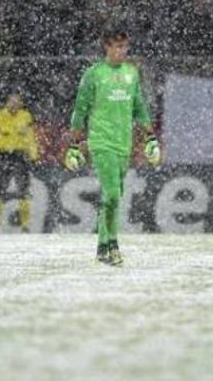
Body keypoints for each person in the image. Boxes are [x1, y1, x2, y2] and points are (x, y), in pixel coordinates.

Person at [66, 28, 160, 266]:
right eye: (117, 47)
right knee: (112, 195)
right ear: (106, 47)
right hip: (101, 142)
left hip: (123, 143)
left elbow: (139, 106)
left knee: (113, 197)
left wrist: (150, 137)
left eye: (125, 47)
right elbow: (80, 109)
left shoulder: (132, 73)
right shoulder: (94, 74)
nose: (122, 51)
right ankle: (112, 246)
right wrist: (75, 144)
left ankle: (101, 249)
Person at [0, 93, 39, 233]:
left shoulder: (26, 117)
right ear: (6, 103)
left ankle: (25, 226)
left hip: (20, 156)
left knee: (24, 191)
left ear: (20, 104)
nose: (14, 104)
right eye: (11, 101)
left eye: (17, 102)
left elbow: (30, 138)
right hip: (3, 156)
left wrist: (33, 156)